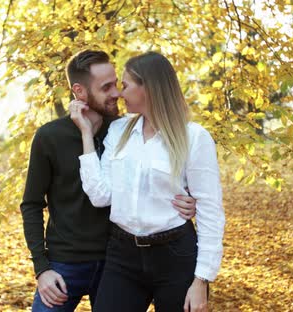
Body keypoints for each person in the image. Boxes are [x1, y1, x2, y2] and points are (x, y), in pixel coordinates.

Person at [20, 50, 198, 312]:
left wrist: (185, 199)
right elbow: (31, 205)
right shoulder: (50, 137)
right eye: (106, 87)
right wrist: (42, 269)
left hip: (116, 262)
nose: (117, 93)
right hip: (65, 264)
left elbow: (164, 167)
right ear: (79, 92)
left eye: (117, 83)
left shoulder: (127, 129)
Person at [70, 51, 225, 312]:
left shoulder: (194, 138)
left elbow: (211, 211)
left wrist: (202, 280)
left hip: (176, 255)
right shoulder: (119, 131)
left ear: (148, 88)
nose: (120, 93)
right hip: (122, 255)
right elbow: (100, 195)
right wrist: (86, 134)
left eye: (126, 85)